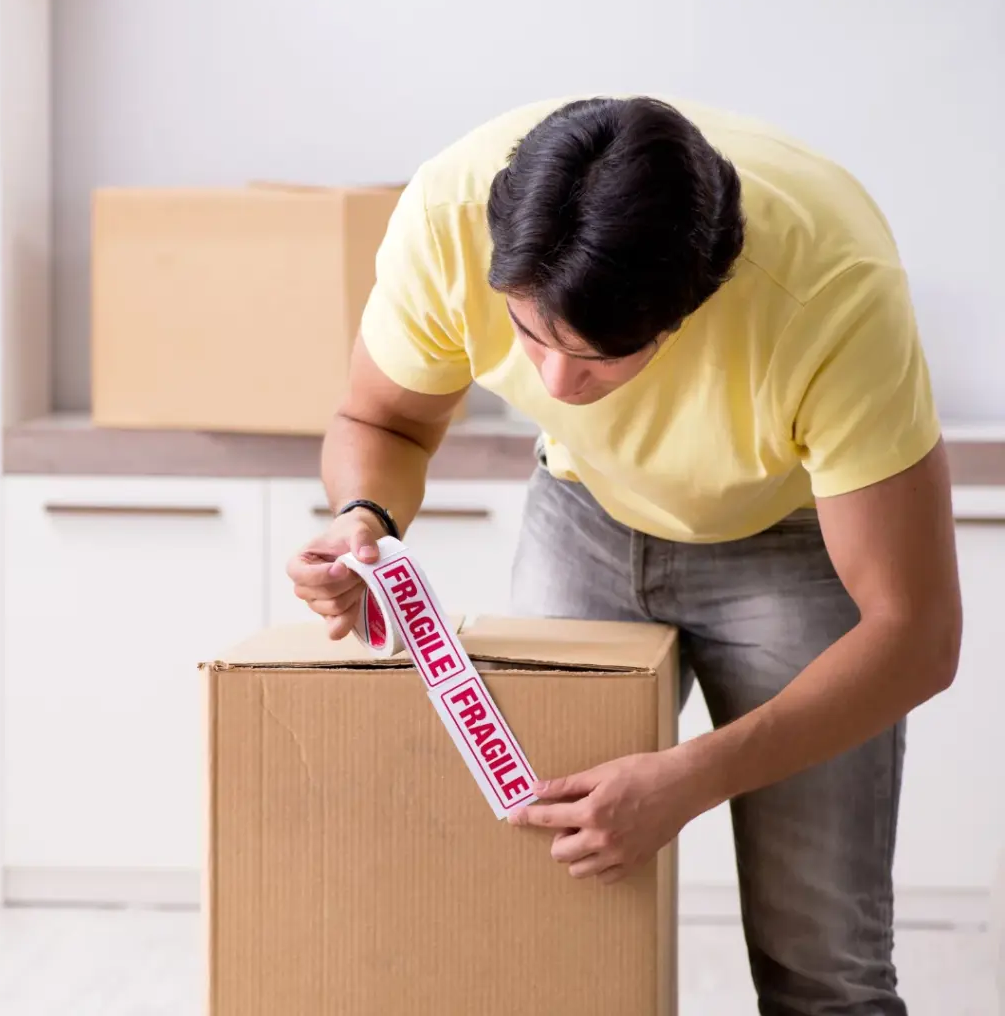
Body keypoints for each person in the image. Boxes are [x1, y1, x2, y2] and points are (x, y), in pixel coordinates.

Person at [286, 95, 962, 1015]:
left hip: (795, 540)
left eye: (601, 357)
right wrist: (364, 515)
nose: (557, 385)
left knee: (824, 960)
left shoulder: (830, 289)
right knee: (551, 911)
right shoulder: (446, 221)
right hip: (582, 512)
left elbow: (917, 634)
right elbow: (380, 419)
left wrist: (695, 777)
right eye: (529, 334)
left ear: (690, 306)